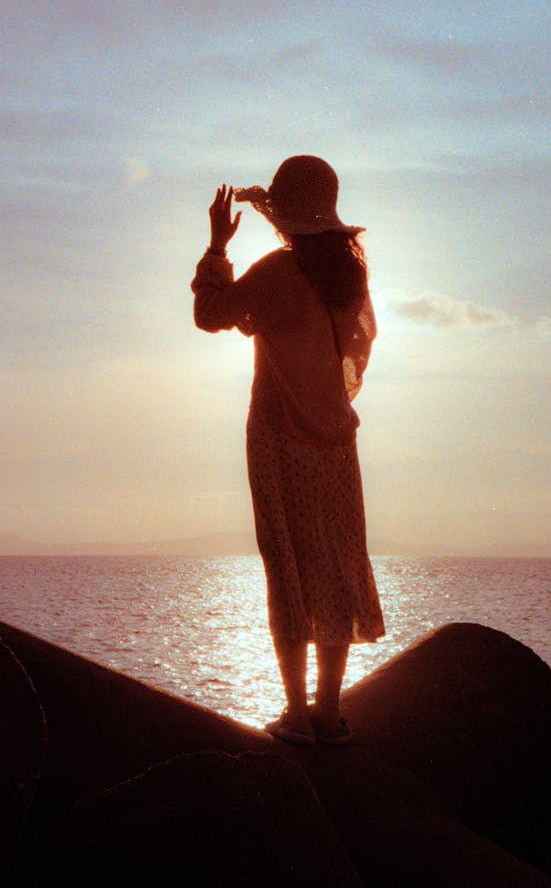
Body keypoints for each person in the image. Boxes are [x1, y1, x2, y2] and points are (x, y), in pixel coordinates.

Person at [191, 155, 385, 746]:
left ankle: (296, 715)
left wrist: (217, 249)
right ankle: (329, 711)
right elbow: (352, 360)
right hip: (337, 442)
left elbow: (210, 315)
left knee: (289, 565)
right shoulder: (349, 279)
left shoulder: (278, 272)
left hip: (280, 439)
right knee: (338, 565)